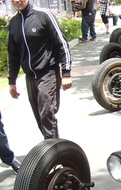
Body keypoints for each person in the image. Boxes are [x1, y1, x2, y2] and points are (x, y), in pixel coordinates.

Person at [8, 0, 72, 140]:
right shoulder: (14, 22)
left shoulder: (44, 15)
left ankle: (53, 155)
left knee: (47, 115)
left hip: (47, 73)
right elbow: (13, 55)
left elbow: (62, 43)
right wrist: (12, 81)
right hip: (30, 77)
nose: (16, 1)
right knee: (39, 117)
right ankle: (53, 149)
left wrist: (66, 72)